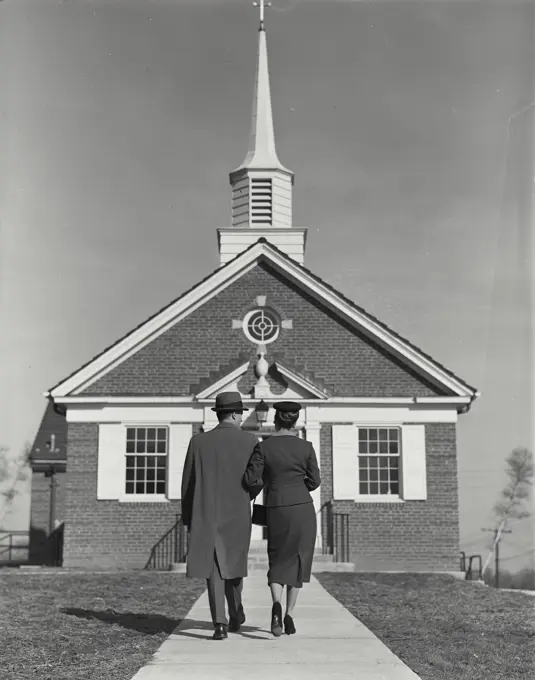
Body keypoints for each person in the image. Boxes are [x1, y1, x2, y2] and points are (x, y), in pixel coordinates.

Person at [181, 391, 260, 640]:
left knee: (213, 569)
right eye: (240, 414)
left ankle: (220, 624)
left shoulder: (198, 442)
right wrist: (252, 493)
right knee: (234, 567)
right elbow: (256, 480)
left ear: (220, 413)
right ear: (236, 414)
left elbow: (188, 483)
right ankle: (236, 614)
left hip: (206, 512)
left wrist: (188, 517)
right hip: (236, 513)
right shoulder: (250, 442)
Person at [243, 401, 321, 637]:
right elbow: (315, 481)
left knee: (277, 558)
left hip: (277, 507)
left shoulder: (264, 447)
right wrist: (298, 486)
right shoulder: (306, 447)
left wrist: (269, 484)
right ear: (294, 421)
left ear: (275, 420)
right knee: (298, 560)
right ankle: (289, 615)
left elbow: (251, 479)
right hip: (302, 508)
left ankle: (275, 605)